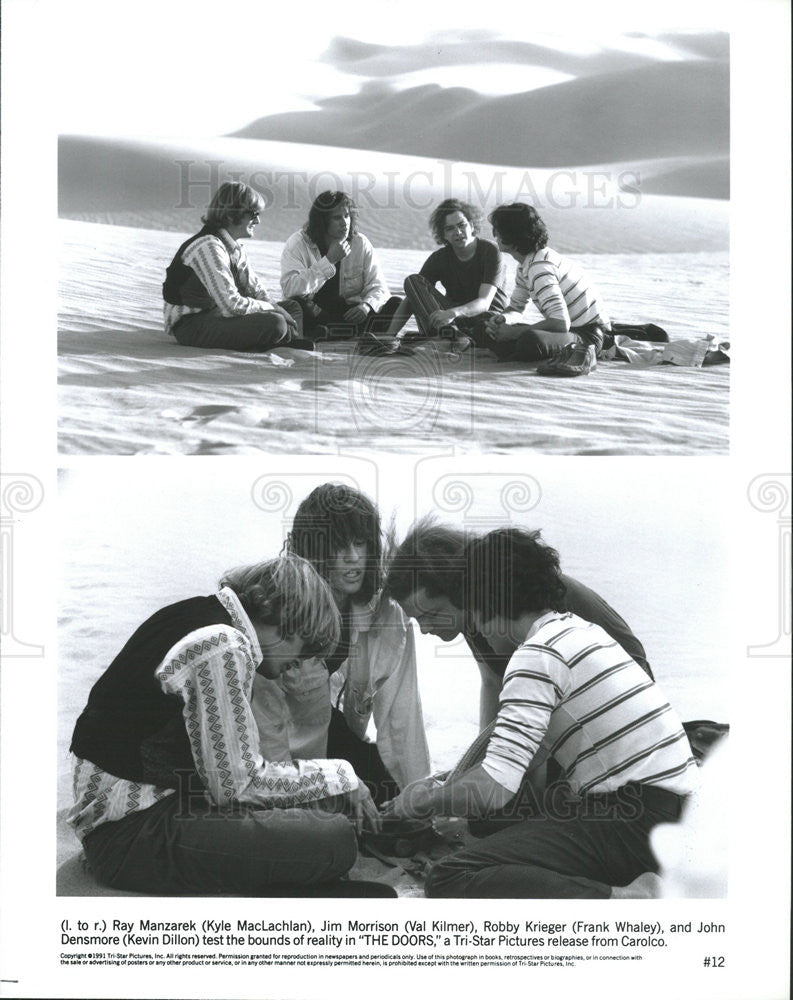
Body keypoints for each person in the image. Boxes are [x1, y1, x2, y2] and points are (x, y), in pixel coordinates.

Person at [383, 528, 698, 898]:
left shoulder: (535, 656)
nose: (477, 626)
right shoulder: (580, 630)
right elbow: (526, 760)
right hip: (678, 808)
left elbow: (493, 791)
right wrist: (463, 795)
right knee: (501, 823)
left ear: (491, 600)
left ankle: (625, 898)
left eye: (473, 603)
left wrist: (423, 801)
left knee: (450, 877)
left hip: (634, 818)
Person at [67, 554, 392, 897]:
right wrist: (342, 774)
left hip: (148, 810)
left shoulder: (198, 613)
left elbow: (224, 777)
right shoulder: (223, 646)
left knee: (325, 807)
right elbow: (238, 785)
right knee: (335, 840)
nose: (300, 663)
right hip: (128, 834)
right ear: (289, 621)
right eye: (305, 646)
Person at [384, 516, 653, 734]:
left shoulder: (522, 601)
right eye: (417, 619)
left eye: (432, 614)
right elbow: (492, 681)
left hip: (622, 702)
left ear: (458, 587)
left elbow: (543, 702)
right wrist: (479, 758)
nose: (426, 628)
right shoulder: (472, 612)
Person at [252, 484, 431, 807]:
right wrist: (295, 802)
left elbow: (403, 719)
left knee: (394, 803)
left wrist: (419, 801)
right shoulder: (278, 612)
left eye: (360, 543)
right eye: (339, 546)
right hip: (280, 755)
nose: (353, 557)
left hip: (338, 738)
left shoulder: (387, 615)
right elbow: (267, 728)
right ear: (313, 550)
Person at [163, 181, 310, 351]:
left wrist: (274, 306)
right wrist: (272, 309)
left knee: (292, 307)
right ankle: (280, 339)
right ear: (232, 214)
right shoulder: (209, 246)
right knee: (276, 323)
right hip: (192, 325)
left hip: (219, 316)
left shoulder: (233, 246)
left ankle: (287, 340)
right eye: (254, 214)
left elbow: (256, 290)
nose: (258, 221)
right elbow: (231, 305)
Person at [482, 202, 613, 376]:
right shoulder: (525, 265)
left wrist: (514, 333)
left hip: (588, 336)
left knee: (530, 341)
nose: (495, 235)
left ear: (512, 235)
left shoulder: (539, 268)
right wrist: (502, 320)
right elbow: (516, 308)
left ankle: (510, 347)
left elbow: (560, 323)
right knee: (483, 324)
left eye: (497, 231)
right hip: (569, 330)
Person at [377, 198, 509, 348]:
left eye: (462, 225)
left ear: (471, 225)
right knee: (413, 281)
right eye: (450, 228)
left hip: (485, 319)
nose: (458, 232)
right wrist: (390, 335)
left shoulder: (490, 251)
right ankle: (453, 336)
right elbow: (414, 294)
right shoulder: (440, 258)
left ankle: (449, 338)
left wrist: (452, 313)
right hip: (450, 322)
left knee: (485, 325)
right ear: (443, 234)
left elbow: (484, 302)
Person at [280, 191, 401, 339]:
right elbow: (290, 289)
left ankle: (334, 333)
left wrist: (366, 306)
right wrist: (329, 260)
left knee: (396, 304)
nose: (345, 223)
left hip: (349, 313)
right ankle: (340, 333)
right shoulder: (298, 244)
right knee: (298, 303)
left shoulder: (360, 243)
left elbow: (379, 287)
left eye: (347, 215)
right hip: (317, 313)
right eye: (337, 217)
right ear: (323, 221)